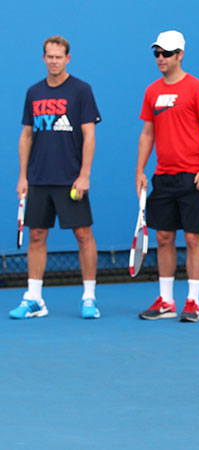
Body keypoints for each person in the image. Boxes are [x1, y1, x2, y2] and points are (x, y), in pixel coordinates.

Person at [10, 35, 102, 320]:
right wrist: (22, 176)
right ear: (43, 58)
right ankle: (34, 298)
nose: (54, 61)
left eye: (58, 57)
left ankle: (89, 297)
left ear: (68, 58)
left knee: (83, 235)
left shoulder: (81, 90)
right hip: (38, 178)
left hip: (70, 179)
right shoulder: (33, 92)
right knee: (36, 236)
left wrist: (84, 175)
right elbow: (26, 136)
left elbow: (89, 135)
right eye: (49, 56)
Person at [135, 30, 199, 323]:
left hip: (192, 177)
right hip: (162, 177)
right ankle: (167, 301)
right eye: (157, 53)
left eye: (166, 53)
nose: (160, 58)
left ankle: (193, 301)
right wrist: (140, 171)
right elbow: (147, 133)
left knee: (194, 239)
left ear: (180, 55)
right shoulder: (152, 91)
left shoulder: (196, 88)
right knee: (164, 237)